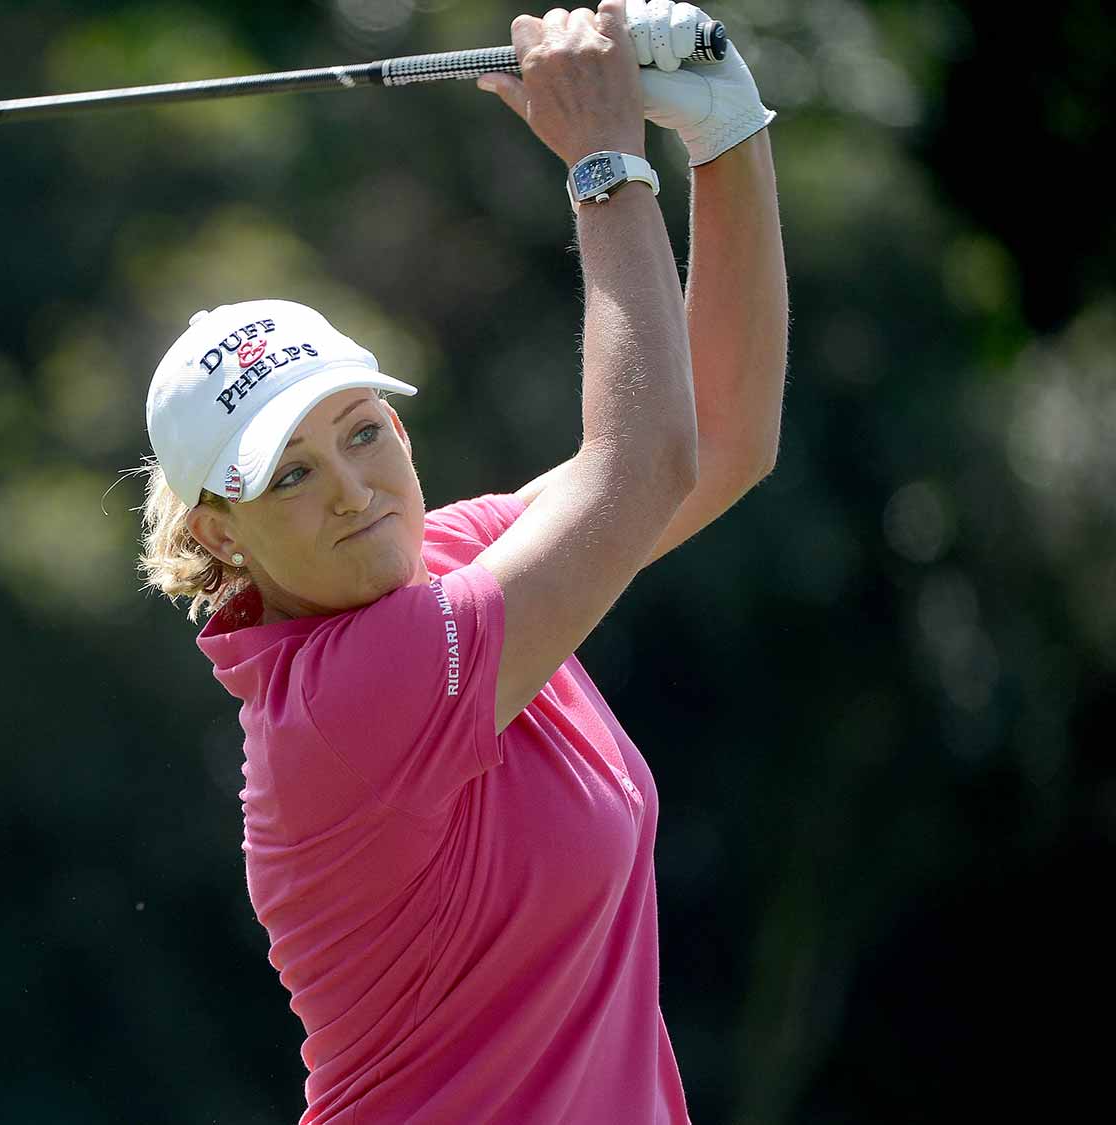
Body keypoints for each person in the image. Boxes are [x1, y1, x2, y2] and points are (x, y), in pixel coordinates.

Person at [134, 1, 787, 1121]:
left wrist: (726, 138)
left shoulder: (455, 559)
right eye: (286, 475)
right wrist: (601, 160)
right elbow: (640, 463)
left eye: (359, 430)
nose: (349, 486)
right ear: (213, 536)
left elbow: (715, 445)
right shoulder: (343, 702)